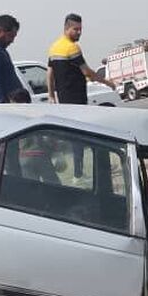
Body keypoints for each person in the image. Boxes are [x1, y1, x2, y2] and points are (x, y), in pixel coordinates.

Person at [47, 13, 114, 176]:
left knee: (73, 137)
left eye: (80, 29)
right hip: (76, 98)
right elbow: (88, 72)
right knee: (84, 137)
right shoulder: (72, 48)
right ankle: (81, 171)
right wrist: (108, 82)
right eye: (75, 29)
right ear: (66, 28)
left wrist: (51, 95)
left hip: (64, 100)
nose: (79, 33)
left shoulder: (54, 47)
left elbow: (50, 73)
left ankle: (78, 171)